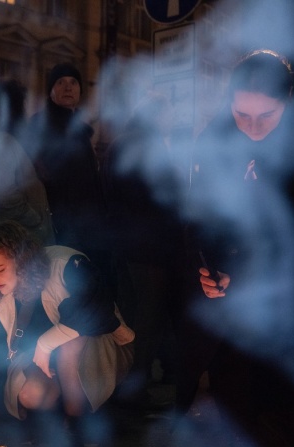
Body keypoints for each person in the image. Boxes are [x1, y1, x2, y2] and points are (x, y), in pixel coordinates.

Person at [179, 50, 294, 445]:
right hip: (227, 309)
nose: (252, 127)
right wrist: (206, 268)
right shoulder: (214, 141)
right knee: (233, 400)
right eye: (241, 115)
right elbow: (198, 216)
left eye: (266, 117)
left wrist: (248, 275)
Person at [0, 220, 134, 447]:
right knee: (32, 393)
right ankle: (50, 426)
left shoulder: (64, 264)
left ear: (22, 261)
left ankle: (76, 421)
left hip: (95, 355)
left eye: (0, 270)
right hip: (42, 369)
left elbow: (98, 310)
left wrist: (46, 343)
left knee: (70, 345)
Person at [102, 91, 187, 407]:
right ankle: (134, 391)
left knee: (133, 318)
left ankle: (129, 385)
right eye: (167, 111)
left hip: (127, 247)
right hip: (148, 249)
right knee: (146, 322)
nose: (172, 117)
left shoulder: (121, 144)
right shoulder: (147, 146)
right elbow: (159, 199)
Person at [24, 63, 108, 268]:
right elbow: (37, 175)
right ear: (51, 91)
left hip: (86, 226)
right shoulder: (41, 125)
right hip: (62, 227)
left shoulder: (79, 128)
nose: (68, 87)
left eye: (73, 82)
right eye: (60, 83)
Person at [0, 80, 55, 244]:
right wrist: (35, 220)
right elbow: (3, 195)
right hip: (14, 241)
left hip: (10, 239)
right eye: (22, 105)